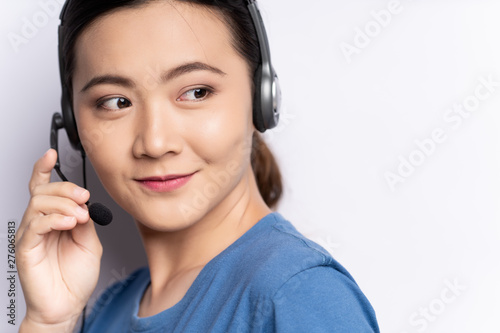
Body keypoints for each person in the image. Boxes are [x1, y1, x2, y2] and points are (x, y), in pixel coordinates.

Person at [16, 0, 380, 332]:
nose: (155, 143)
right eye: (116, 101)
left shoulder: (298, 295)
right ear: (74, 124)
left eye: (196, 92)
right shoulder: (110, 309)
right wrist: (49, 321)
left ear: (261, 99)